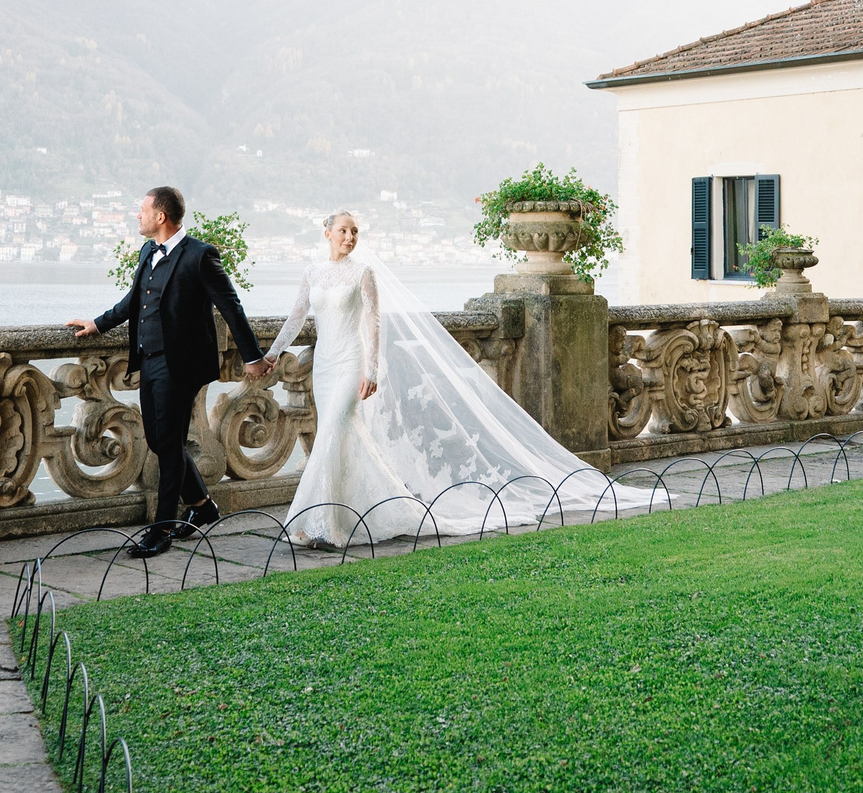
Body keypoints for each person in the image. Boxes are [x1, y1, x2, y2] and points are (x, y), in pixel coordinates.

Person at [261, 209, 640, 547]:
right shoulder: (312, 273)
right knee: (336, 434)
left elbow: (374, 323)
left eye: (355, 232)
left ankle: (319, 523)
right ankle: (340, 514)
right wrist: (272, 353)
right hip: (324, 367)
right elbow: (296, 318)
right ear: (326, 232)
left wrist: (372, 370)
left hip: (349, 364)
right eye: (343, 230)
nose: (350, 237)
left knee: (331, 433)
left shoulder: (364, 272)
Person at [68, 186, 269, 558]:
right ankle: (202, 506)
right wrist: (98, 323)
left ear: (161, 216)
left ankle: (160, 529)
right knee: (161, 441)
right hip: (150, 359)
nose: (138, 216)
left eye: (142, 210)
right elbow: (134, 300)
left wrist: (253, 356)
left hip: (183, 364)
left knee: (169, 446)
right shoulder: (147, 251)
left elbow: (231, 306)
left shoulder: (200, 255)